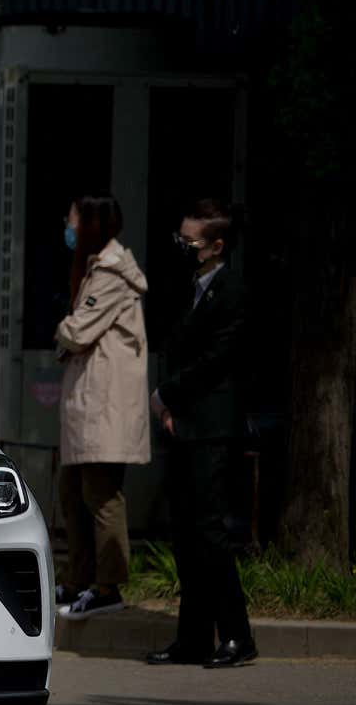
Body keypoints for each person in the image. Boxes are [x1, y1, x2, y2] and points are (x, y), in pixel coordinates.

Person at [146, 199, 256, 669]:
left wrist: (167, 393)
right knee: (186, 534)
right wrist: (170, 405)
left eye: (190, 242)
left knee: (211, 533)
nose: (182, 248)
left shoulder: (233, 289)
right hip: (184, 422)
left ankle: (237, 635)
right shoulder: (190, 285)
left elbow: (218, 358)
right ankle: (192, 637)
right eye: (180, 239)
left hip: (212, 426)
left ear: (216, 246)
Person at [53, 194, 149, 620]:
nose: (67, 224)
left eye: (72, 217)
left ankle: (108, 586)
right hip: (90, 404)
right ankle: (78, 580)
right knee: (72, 493)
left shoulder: (111, 273)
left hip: (106, 407)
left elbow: (76, 331)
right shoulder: (96, 268)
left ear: (91, 224)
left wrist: (61, 328)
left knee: (101, 494)